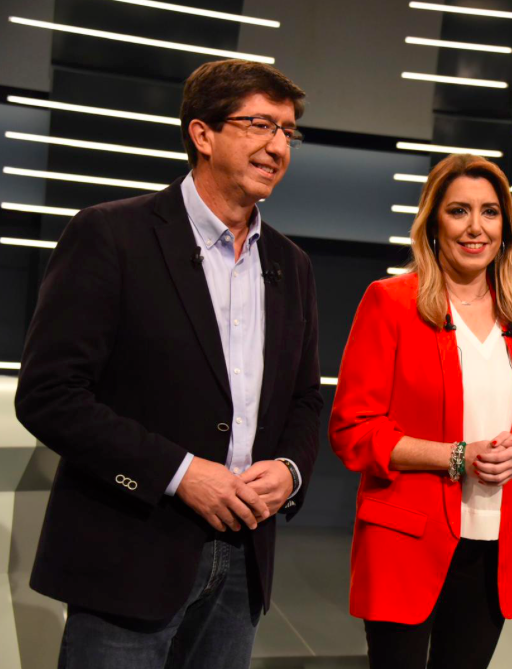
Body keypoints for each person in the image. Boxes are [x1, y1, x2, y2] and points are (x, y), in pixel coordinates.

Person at [14, 59, 321, 668]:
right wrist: (181, 473)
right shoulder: (110, 235)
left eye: (289, 132)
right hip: (132, 548)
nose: (278, 146)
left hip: (244, 558)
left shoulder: (292, 265)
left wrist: (289, 470)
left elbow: (306, 400)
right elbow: (51, 395)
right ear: (202, 134)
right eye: (261, 124)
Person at [328, 153, 512, 669]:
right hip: (405, 542)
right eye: (458, 211)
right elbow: (352, 430)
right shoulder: (390, 301)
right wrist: (457, 457)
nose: (476, 227)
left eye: (490, 212)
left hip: (494, 544)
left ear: (507, 227)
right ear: (433, 223)